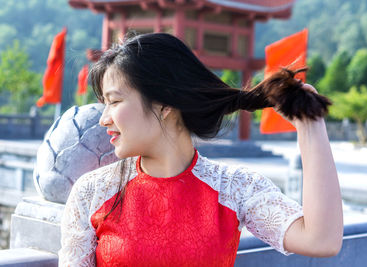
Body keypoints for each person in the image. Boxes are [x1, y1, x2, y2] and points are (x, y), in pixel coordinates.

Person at [58, 32, 343, 266]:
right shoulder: (92, 192)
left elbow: (322, 239)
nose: (103, 118)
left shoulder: (234, 188)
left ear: (165, 103)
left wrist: (310, 125)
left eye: (115, 101)